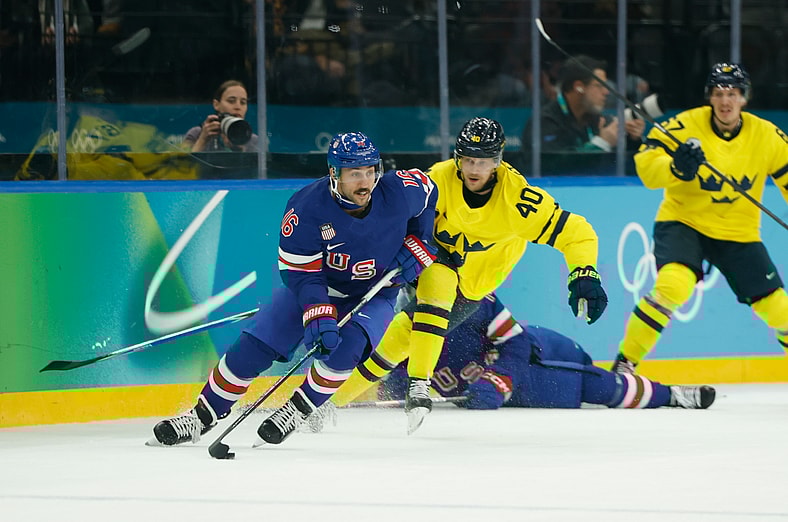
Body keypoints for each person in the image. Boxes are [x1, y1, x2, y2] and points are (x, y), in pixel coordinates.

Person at [149, 131, 439, 446]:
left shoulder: (399, 192)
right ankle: (201, 416)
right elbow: (302, 274)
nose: (365, 182)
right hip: (317, 289)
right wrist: (318, 310)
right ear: (334, 173)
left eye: (370, 171)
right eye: (355, 173)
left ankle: (297, 410)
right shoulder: (306, 208)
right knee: (252, 349)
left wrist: (421, 239)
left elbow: (429, 191)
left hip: (375, 294)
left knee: (347, 350)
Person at [330, 117, 609, 434]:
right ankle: (419, 383)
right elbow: (397, 211)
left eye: (483, 161)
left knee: (403, 337)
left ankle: (331, 400)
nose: (474, 168)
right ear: (457, 157)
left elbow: (578, 232)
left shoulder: (519, 202)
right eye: (468, 159)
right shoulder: (440, 178)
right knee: (439, 283)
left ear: (498, 161)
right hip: (433, 259)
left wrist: (584, 273)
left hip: (474, 285)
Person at [611, 63, 788, 375]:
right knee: (673, 285)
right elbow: (646, 168)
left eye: (732, 94)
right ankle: (624, 366)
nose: (725, 101)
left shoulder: (767, 136)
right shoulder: (684, 125)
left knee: (780, 311)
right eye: (718, 93)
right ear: (710, 97)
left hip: (738, 232)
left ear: (744, 98)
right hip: (684, 222)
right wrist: (675, 168)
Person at [379, 292, 716, 410]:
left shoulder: (471, 301)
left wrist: (498, 381)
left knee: (601, 387)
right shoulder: (399, 332)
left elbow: (517, 344)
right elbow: (392, 385)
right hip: (516, 388)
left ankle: (671, 395)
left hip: (542, 358)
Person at [520, 55, 646, 175]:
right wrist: (601, 143)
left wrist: (633, 140)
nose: (606, 92)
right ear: (579, 87)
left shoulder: (599, 121)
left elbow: (625, 169)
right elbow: (552, 167)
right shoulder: (544, 122)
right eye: (599, 86)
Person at [183, 80, 259, 153]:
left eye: (243, 102)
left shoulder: (253, 141)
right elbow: (183, 161)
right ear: (216, 104)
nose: (238, 107)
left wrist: (241, 151)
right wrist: (202, 140)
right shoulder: (196, 134)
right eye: (231, 101)